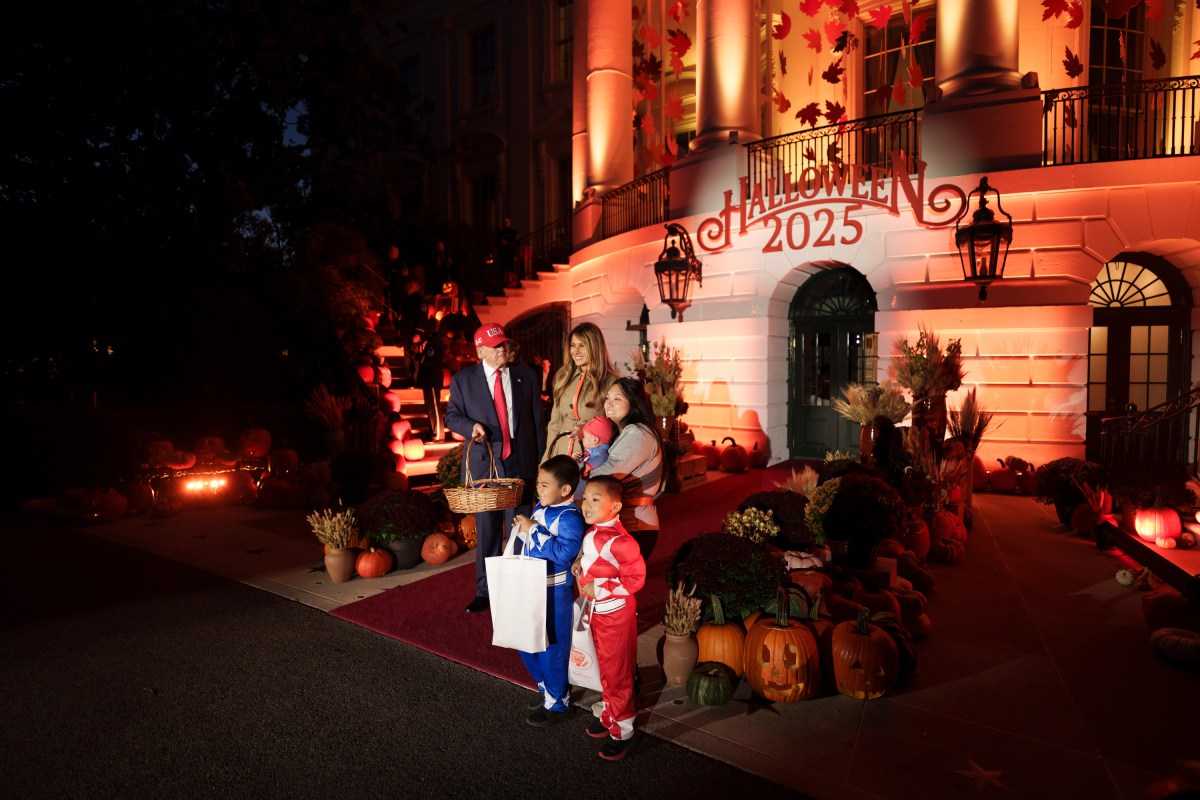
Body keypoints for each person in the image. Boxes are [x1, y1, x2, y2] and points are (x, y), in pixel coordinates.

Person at [446, 324, 546, 613]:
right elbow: (451, 416)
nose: (503, 349)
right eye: (496, 346)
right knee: (488, 529)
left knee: (521, 527)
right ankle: (485, 591)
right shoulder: (463, 380)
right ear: (480, 351)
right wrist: (470, 426)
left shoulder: (526, 375)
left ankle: (519, 589)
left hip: (521, 459)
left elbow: (537, 422)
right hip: (485, 462)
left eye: (504, 344)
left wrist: (540, 463)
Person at [571, 474, 646, 761]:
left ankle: (623, 731)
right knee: (605, 667)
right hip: (598, 611)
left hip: (614, 613)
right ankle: (611, 713)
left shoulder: (621, 541)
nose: (586, 505)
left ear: (615, 507)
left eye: (595, 499)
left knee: (618, 672)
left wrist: (600, 586)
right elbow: (592, 559)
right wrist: (580, 563)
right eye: (586, 498)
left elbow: (635, 579)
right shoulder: (593, 532)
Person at [511, 455, 586, 726]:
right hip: (531, 586)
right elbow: (534, 541)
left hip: (554, 592)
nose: (538, 489)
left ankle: (558, 703)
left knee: (552, 647)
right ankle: (547, 691)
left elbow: (564, 553)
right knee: (526, 640)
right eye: (539, 484)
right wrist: (522, 530)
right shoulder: (542, 508)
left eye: (544, 485)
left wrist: (533, 530)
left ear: (565, 490)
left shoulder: (570, 516)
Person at [588, 377, 663, 560]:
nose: (609, 404)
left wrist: (574, 476)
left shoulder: (638, 433)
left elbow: (607, 474)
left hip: (635, 524)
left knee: (616, 586)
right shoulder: (624, 431)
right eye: (607, 398)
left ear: (634, 403)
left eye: (617, 399)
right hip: (625, 521)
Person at [543, 322, 619, 462]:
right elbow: (554, 424)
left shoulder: (611, 381)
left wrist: (587, 429)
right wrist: (547, 460)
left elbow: (616, 424)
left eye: (582, 346)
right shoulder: (563, 377)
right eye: (573, 345)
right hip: (560, 455)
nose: (575, 351)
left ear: (594, 347)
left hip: (591, 457)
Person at [411, 326, 446, 441]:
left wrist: (418, 356)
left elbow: (430, 360)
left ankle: (438, 433)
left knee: (434, 407)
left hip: (432, 379)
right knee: (430, 407)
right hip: (429, 379)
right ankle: (433, 430)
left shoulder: (434, 344)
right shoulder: (432, 343)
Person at [573, 414, 617, 501]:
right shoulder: (590, 450)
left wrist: (587, 467)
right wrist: (575, 458)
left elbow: (602, 458)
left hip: (583, 492)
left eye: (585, 436)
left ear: (595, 440)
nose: (582, 438)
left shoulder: (600, 452)